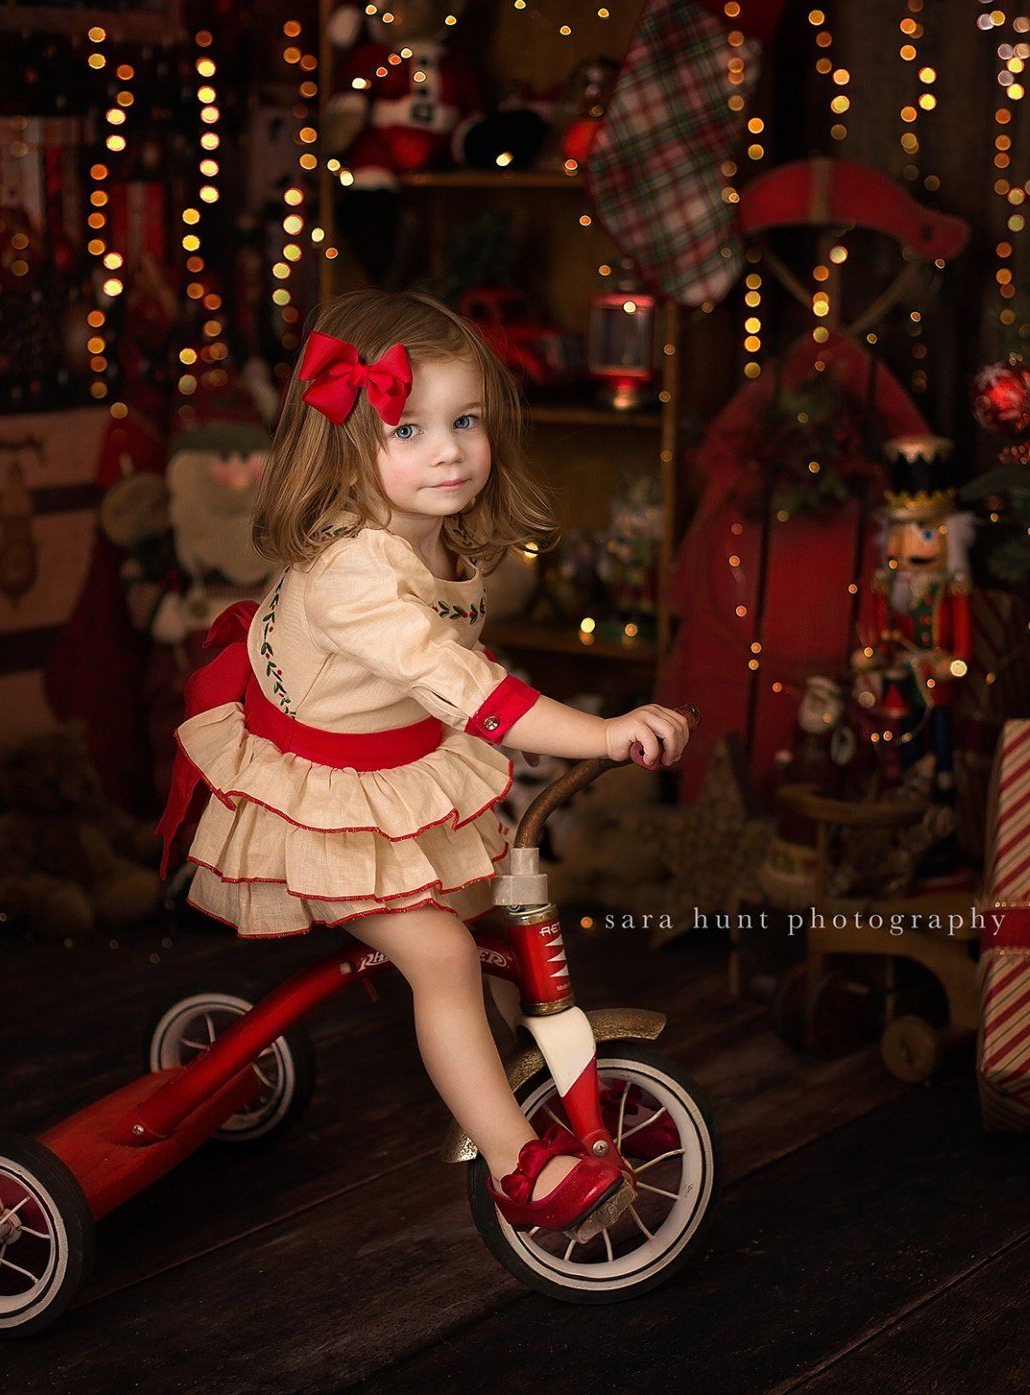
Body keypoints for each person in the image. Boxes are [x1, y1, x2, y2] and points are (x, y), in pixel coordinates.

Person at [157, 288, 692, 1234]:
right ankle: (515, 1162)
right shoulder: (353, 576)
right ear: (345, 445)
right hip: (317, 796)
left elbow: (454, 667)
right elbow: (472, 691)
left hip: (397, 760)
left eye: (466, 420)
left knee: (479, 904)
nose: (448, 449)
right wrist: (605, 732)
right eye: (408, 428)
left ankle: (494, 1058)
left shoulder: (434, 532)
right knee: (443, 950)